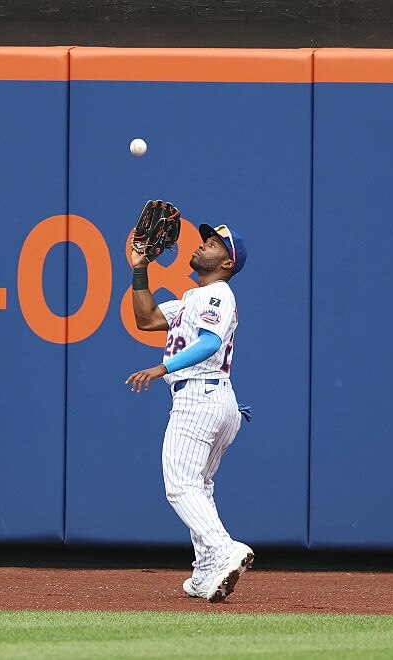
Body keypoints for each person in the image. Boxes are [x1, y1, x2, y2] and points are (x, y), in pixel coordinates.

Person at [125, 222, 253, 603]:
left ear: (227, 263)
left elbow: (212, 343)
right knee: (200, 487)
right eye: (205, 240)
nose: (201, 246)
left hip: (200, 396)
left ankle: (223, 549)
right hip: (216, 399)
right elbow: (146, 318)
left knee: (179, 485)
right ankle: (205, 572)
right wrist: (139, 267)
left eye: (212, 244)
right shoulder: (190, 300)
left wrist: (163, 368)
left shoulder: (218, 294)